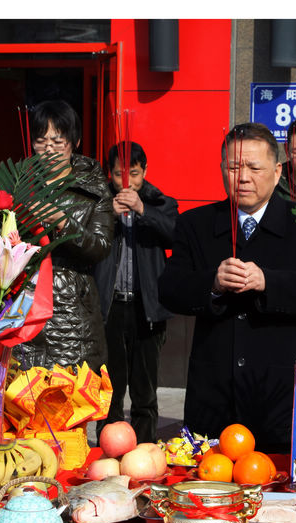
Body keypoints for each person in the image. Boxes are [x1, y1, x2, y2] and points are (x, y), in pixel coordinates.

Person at [158, 122, 296, 453]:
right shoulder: (196, 224)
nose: (242, 177)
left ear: (278, 170)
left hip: (282, 397)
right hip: (213, 398)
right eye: (233, 167)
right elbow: (169, 288)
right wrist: (211, 282)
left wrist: (268, 281)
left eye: (254, 167)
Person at [13, 100, 114, 373]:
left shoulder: (94, 188)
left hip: (73, 314)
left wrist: (62, 222)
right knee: (22, 402)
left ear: (75, 141)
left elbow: (101, 246)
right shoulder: (15, 185)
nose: (49, 149)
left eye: (58, 142)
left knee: (71, 402)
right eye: (41, 141)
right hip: (23, 307)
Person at [93, 141, 179, 443]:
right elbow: (84, 238)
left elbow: (175, 233)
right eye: (119, 175)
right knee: (110, 389)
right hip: (110, 307)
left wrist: (142, 209)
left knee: (145, 388)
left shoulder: (159, 201)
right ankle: (108, 449)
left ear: (145, 171)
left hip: (147, 307)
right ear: (109, 173)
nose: (126, 182)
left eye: (134, 174)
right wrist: (108, 215)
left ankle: (144, 449)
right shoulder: (99, 202)